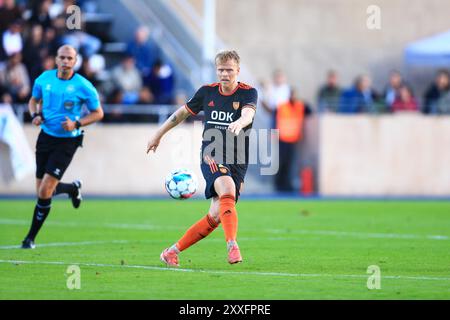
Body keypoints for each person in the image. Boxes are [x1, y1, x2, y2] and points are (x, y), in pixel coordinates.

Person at [146, 50, 257, 266]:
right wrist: (158, 134)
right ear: (216, 70)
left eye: (229, 70)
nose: (225, 74)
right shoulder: (207, 92)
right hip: (212, 153)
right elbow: (182, 113)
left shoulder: (248, 92)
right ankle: (232, 245)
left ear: (238, 71)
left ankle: (171, 251)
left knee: (216, 215)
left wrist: (240, 123)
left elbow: (248, 114)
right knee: (227, 190)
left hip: (239, 157)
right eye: (221, 70)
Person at [21, 45, 104, 249]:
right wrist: (35, 115)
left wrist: (76, 124)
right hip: (46, 137)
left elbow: (98, 113)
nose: (66, 61)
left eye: (70, 58)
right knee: (42, 191)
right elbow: (33, 100)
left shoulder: (84, 86)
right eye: (62, 57)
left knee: (45, 190)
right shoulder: (44, 79)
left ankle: (30, 238)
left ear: (75, 62)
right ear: (56, 59)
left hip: (68, 140)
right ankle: (73, 188)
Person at [275, 87, 311, 191]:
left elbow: (309, 111)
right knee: (282, 162)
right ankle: (279, 184)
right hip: (283, 138)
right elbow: (275, 118)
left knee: (291, 164)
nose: (293, 96)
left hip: (294, 139)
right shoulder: (282, 106)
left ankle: (287, 185)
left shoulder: (300, 106)